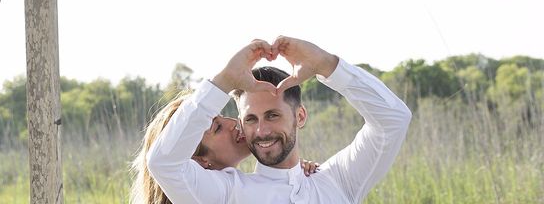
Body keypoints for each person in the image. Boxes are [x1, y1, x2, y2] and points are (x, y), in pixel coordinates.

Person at [147, 36, 412, 203]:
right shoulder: (227, 193)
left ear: (300, 116)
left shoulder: (338, 180)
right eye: (250, 119)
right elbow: (164, 163)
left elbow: (394, 119)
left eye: (272, 115)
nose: (261, 130)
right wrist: (225, 80)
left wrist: (326, 64)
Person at [131, 90, 320, 204]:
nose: (232, 123)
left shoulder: (238, 188)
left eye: (222, 116)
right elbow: (163, 162)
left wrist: (291, 172)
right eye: (217, 127)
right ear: (199, 160)